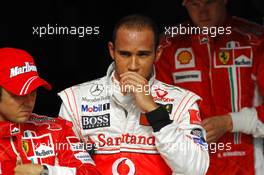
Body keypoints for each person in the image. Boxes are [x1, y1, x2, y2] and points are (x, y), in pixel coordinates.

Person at [58, 14, 209, 175]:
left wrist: (155, 111)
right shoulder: (75, 99)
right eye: (125, 54)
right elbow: (63, 165)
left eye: (143, 55)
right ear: (112, 51)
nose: (133, 65)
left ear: (157, 53)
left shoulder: (183, 102)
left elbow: (196, 169)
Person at [155, 0, 264, 174]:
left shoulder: (256, 40)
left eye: (209, 3)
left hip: (246, 165)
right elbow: (154, 112)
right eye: (194, 5)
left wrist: (230, 122)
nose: (203, 12)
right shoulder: (168, 46)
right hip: (190, 165)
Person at [0, 47, 100, 175]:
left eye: (33, 92)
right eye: (18, 94)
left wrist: (47, 171)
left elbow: (91, 172)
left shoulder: (56, 129)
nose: (28, 101)